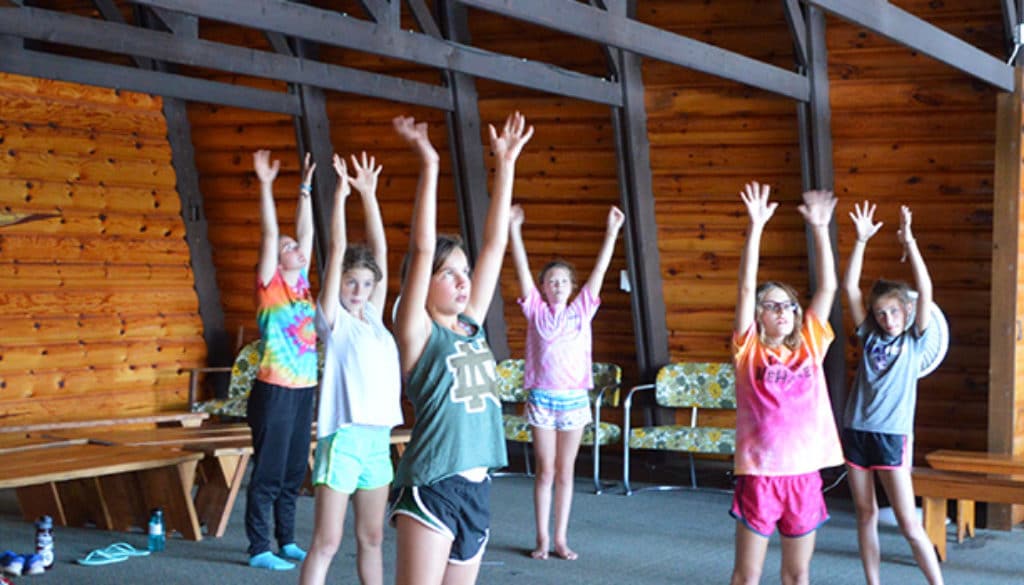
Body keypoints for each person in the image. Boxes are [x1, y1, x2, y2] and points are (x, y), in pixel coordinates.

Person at [389, 112, 533, 585]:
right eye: (448, 273)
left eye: (464, 273)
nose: (462, 281)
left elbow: (494, 245)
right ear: (423, 283)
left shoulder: (472, 324)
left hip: (478, 487)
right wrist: (429, 164)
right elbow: (423, 246)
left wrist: (506, 163)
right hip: (433, 485)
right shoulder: (418, 331)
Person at [730, 181, 844, 585]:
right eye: (772, 306)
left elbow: (828, 287)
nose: (782, 312)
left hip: (803, 476)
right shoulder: (749, 352)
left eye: (789, 306)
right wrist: (756, 226)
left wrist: (819, 227)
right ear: (759, 315)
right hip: (760, 474)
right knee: (747, 576)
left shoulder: (811, 345)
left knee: (798, 575)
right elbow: (746, 286)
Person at [299, 152, 403, 585]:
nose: (358, 290)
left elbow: (379, 252)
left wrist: (369, 194)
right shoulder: (334, 321)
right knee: (327, 541)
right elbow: (338, 249)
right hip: (342, 437)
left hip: (378, 439)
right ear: (338, 283)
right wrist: (340, 196)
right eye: (350, 282)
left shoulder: (375, 319)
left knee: (373, 537)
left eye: (365, 284)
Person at [507, 203, 624, 561]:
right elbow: (522, 268)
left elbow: (601, 270)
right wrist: (514, 229)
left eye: (563, 281)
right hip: (542, 399)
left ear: (572, 287)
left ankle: (561, 538)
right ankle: (541, 538)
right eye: (551, 281)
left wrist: (611, 232)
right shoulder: (536, 311)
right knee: (545, 471)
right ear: (542, 287)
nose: (557, 285)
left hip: (574, 401)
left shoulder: (581, 310)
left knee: (566, 472)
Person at [841, 202, 944, 585]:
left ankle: (937, 582)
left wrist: (909, 240)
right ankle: (873, 582)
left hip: (892, 436)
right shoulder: (868, 334)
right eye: (881, 314)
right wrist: (861, 241)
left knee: (907, 522)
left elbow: (927, 289)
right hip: (856, 431)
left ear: (906, 312)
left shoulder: (915, 339)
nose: (887, 320)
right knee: (865, 513)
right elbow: (850, 288)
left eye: (894, 313)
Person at [246, 150, 318, 571]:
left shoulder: (303, 284)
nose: (296, 249)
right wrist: (267, 185)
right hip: (273, 391)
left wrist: (304, 189)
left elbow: (304, 233)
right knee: (268, 474)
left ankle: (287, 540)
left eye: (296, 248)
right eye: (289, 249)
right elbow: (273, 235)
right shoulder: (270, 286)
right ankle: (259, 548)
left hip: (303, 389)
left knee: (293, 472)